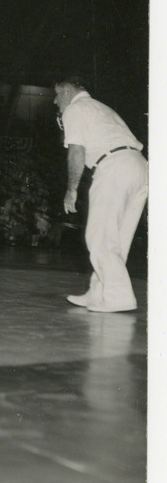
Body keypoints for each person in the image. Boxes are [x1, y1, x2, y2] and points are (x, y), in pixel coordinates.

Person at [54, 74, 147, 312]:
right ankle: (99, 292)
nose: (55, 101)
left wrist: (71, 190)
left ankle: (118, 296)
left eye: (56, 94)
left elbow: (76, 152)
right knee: (116, 237)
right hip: (138, 166)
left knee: (99, 236)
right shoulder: (100, 107)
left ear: (65, 90)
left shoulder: (74, 110)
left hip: (114, 167)